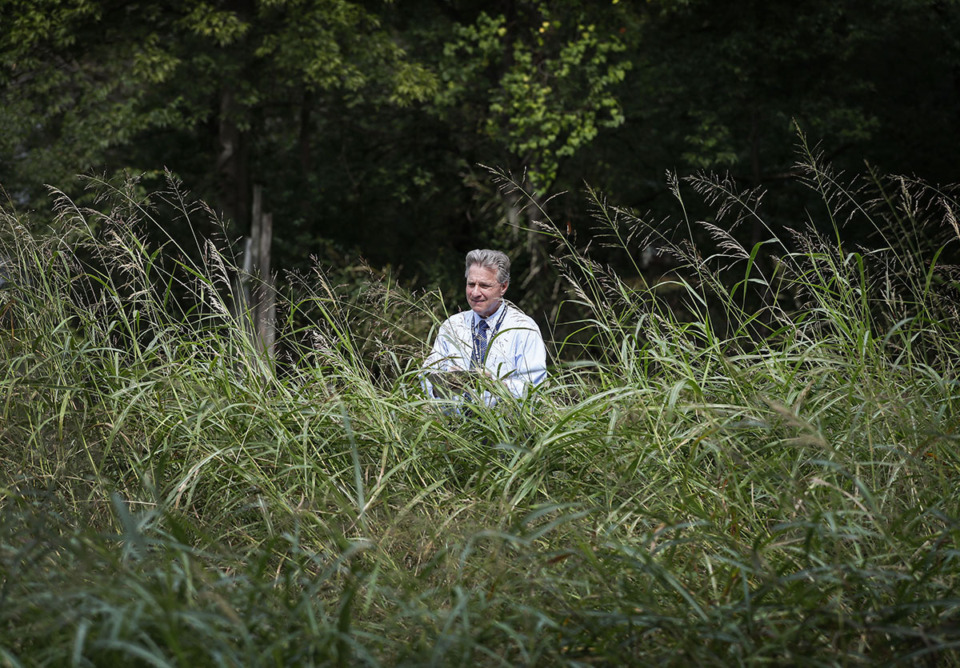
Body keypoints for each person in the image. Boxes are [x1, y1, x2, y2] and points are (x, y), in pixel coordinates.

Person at [423, 249, 547, 405]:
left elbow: (534, 387)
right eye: (471, 284)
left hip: (506, 427)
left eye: (484, 285)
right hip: (453, 426)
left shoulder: (523, 328)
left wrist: (493, 385)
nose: (475, 293)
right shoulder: (452, 326)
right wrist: (443, 384)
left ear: (503, 287)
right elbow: (427, 379)